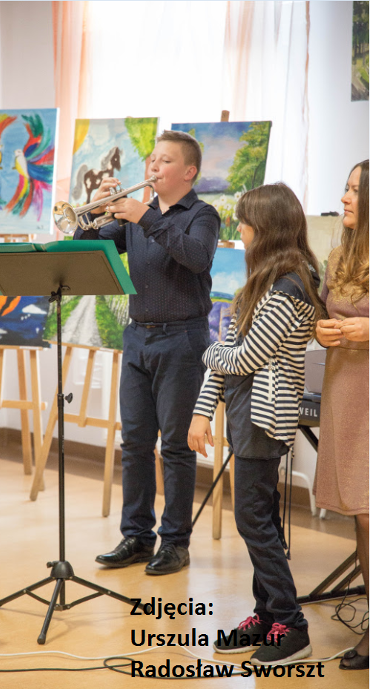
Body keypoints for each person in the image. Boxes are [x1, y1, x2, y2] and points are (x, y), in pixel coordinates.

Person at [73, 130, 220, 575]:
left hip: (183, 339)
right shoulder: (137, 215)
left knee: (175, 447)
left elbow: (196, 257)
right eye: (152, 159)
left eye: (165, 161)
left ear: (189, 172)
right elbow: (84, 252)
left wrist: (145, 217)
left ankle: (175, 543)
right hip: (137, 337)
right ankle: (137, 536)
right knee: (135, 444)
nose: (153, 167)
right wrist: (92, 213)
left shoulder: (202, 215)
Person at [188, 182, 323, 665]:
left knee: (252, 520)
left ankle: (292, 625)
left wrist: (204, 350)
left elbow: (242, 357)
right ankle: (267, 616)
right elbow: (229, 356)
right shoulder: (261, 282)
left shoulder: (291, 287)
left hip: (265, 420)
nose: (239, 230)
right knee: (260, 518)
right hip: (245, 416)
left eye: (245, 223)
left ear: (266, 229)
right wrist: (202, 410)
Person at [313, 160, 369, 671]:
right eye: (345, 188)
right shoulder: (337, 256)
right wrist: (322, 330)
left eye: (355, 190)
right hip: (344, 390)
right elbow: (322, 313)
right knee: (360, 508)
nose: (345, 197)